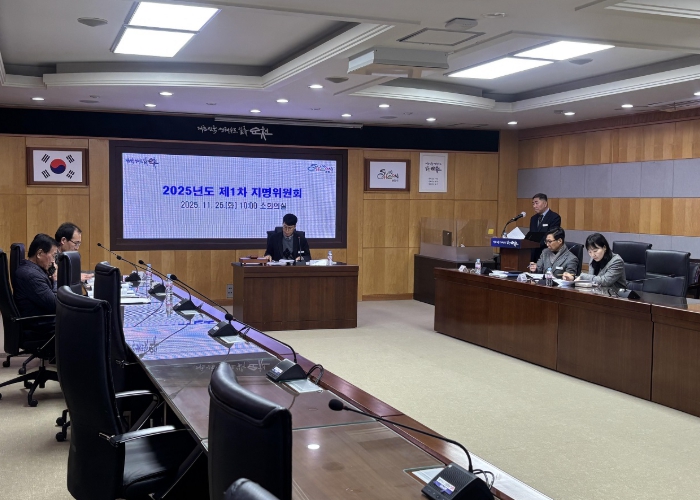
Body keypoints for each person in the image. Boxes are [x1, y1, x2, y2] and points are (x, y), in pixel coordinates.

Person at [13, 233, 59, 317]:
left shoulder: (34, 269)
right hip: (42, 323)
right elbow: (56, 305)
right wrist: (55, 279)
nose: (53, 261)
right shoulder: (31, 275)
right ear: (39, 254)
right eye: (53, 256)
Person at [529, 193, 562, 262]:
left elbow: (552, 236)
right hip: (533, 254)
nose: (534, 206)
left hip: (547, 253)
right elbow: (532, 234)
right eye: (533, 204)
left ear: (545, 204)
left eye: (536, 203)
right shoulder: (533, 218)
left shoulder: (554, 217)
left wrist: (536, 243)